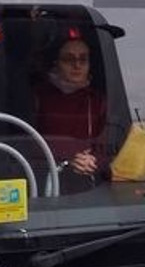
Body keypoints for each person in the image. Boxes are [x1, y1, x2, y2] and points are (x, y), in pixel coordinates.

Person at [34, 34, 108, 192]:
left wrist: (94, 161)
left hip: (88, 188)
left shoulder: (98, 101)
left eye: (83, 59)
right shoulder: (38, 97)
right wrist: (67, 160)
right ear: (56, 63)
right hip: (43, 182)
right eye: (69, 59)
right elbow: (26, 144)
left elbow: (109, 147)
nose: (77, 65)